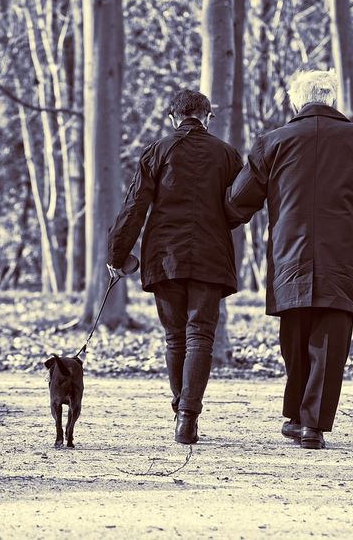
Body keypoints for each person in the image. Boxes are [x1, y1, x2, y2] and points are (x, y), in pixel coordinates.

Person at [225, 70, 353, 449]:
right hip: (342, 255)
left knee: (295, 336)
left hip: (291, 254)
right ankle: (310, 425)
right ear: (332, 98)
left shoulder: (272, 142)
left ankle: (298, 417)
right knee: (331, 341)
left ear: (296, 101)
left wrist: (224, 217)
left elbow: (239, 200)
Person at [107, 89, 243, 445]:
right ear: (207, 117)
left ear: (173, 118)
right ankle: (188, 418)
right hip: (211, 254)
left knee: (175, 336)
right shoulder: (227, 154)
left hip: (165, 254)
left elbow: (135, 206)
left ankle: (180, 409)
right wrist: (220, 218)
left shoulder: (157, 151)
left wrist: (117, 255)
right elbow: (238, 206)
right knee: (201, 334)